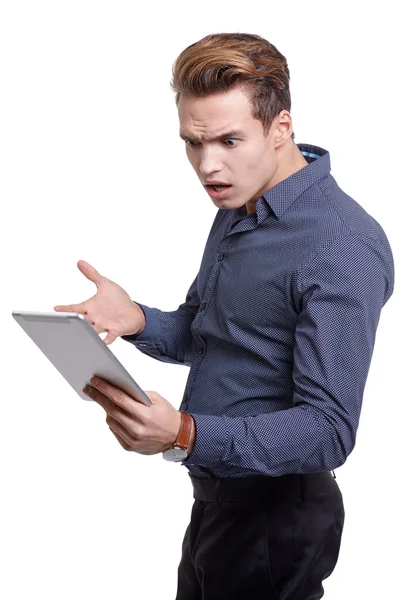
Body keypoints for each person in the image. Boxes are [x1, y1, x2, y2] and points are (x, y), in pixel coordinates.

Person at [54, 33, 394, 600]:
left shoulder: (342, 244)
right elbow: (211, 335)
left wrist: (185, 433)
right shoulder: (240, 205)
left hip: (275, 519)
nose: (208, 166)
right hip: (216, 505)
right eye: (194, 143)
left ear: (280, 128)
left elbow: (330, 430)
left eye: (230, 141)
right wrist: (135, 318)